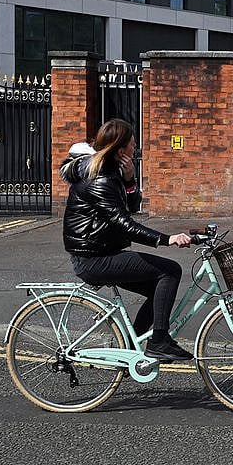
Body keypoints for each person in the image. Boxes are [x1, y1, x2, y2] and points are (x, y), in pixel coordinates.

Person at [60, 118, 194, 362]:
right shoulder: (99, 179)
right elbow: (124, 223)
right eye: (133, 144)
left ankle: (134, 346)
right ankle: (159, 342)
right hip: (94, 259)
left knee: (159, 287)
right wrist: (167, 239)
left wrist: (130, 179)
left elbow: (130, 208)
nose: (136, 148)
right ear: (121, 150)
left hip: (103, 252)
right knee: (170, 271)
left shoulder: (110, 173)